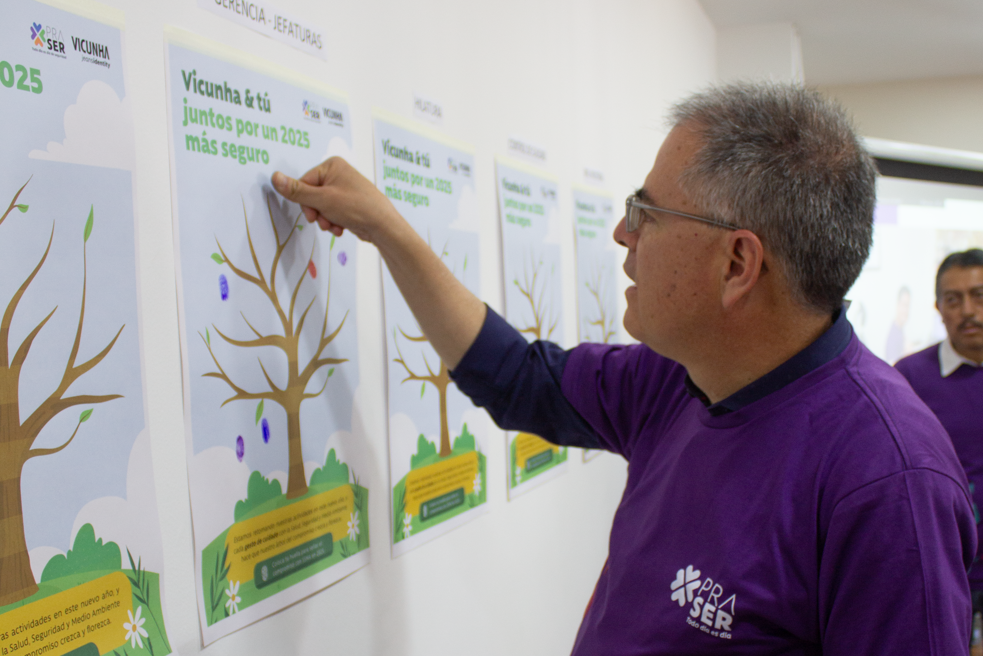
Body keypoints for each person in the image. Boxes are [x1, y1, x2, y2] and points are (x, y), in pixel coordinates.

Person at [271, 83, 976, 654]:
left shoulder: (888, 481)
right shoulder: (680, 380)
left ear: (737, 263)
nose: (621, 234)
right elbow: (516, 377)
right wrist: (387, 230)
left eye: (647, 212)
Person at [896, 248, 983, 628]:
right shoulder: (908, 378)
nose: (968, 310)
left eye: (978, 296)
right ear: (938, 308)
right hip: (942, 568)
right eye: (953, 299)